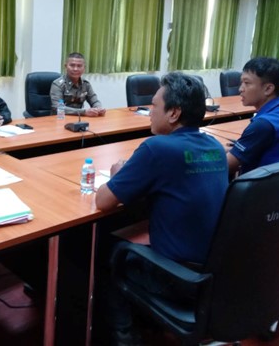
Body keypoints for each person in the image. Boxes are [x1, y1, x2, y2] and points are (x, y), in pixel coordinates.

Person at [95, 73, 228, 345]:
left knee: (102, 250)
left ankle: (125, 338)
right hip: (215, 271)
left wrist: (118, 174)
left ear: (174, 113)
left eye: (153, 106)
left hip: (177, 278)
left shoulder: (157, 148)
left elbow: (103, 201)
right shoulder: (215, 146)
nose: (149, 112)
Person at [228, 57, 279, 177]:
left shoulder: (263, 125)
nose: (240, 89)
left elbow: (227, 165)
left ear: (268, 89)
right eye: (241, 83)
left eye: (247, 83)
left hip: (262, 187)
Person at [50, 52, 106, 116]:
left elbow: (94, 101)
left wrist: (98, 108)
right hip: (60, 119)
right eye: (72, 65)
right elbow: (58, 107)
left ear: (84, 68)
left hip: (79, 119)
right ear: (65, 66)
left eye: (79, 66)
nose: (75, 69)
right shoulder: (58, 85)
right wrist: (83, 112)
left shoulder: (86, 84)